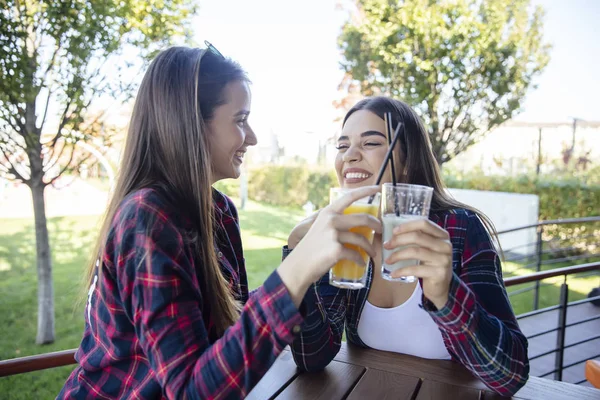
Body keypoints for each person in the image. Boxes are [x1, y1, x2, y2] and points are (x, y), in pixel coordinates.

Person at [57, 43, 381, 399]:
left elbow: (240, 322)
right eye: (241, 120)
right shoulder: (146, 218)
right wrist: (295, 274)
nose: (253, 137)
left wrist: (300, 268)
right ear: (191, 124)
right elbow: (192, 392)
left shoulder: (219, 211)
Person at [286, 96, 530, 396]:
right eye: (342, 145)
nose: (349, 155)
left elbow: (511, 374)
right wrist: (299, 262)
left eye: (371, 143)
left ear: (406, 162)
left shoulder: (461, 229)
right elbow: (312, 357)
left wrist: (445, 294)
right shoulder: (344, 234)